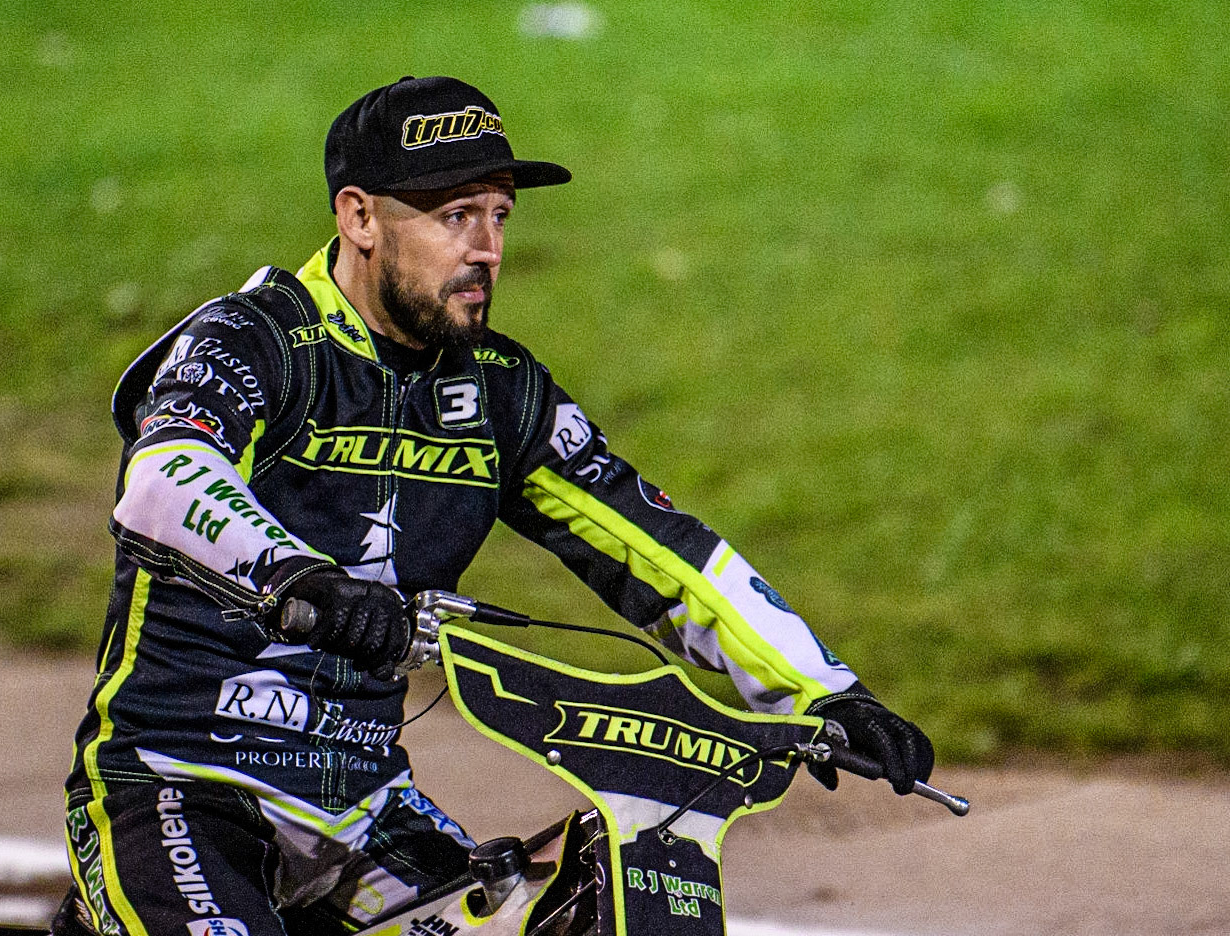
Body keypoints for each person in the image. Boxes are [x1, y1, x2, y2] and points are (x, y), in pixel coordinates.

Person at [56, 75, 933, 936]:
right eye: (454, 217)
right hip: (174, 783)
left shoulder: (505, 394)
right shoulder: (258, 338)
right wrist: (300, 578)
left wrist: (824, 692)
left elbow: (660, 547)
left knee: (545, 918)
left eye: (500, 215)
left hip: (361, 810)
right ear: (359, 217)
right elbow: (164, 478)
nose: (486, 249)